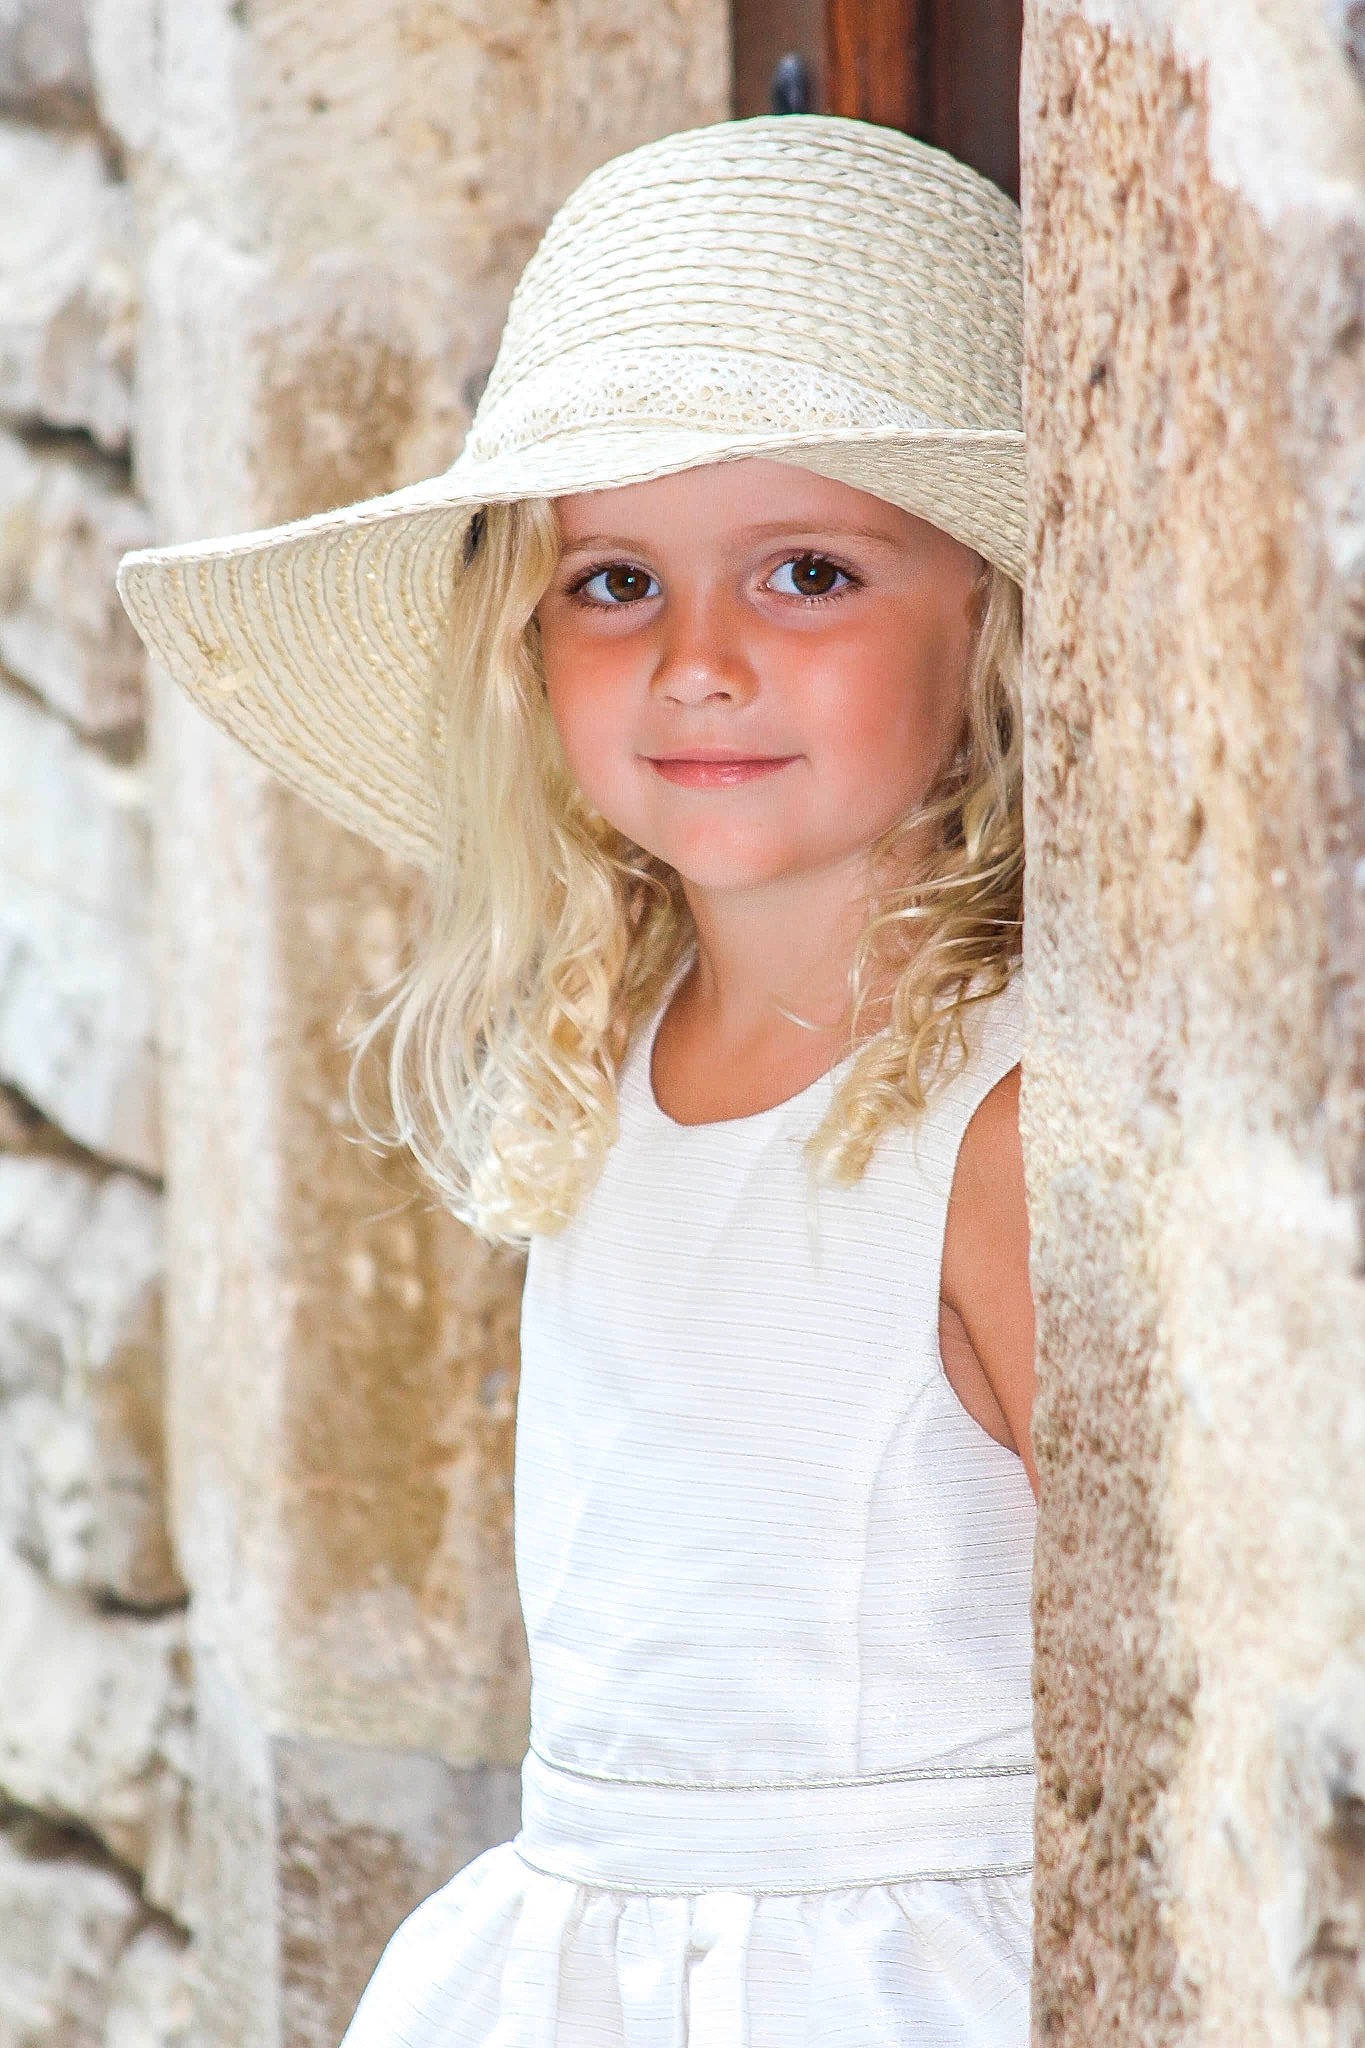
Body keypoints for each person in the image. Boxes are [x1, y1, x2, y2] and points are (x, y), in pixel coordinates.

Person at [119, 114, 1038, 2048]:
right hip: (590, 1965)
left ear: (992, 616)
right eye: (612, 583)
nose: (696, 662)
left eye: (804, 571)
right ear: (524, 645)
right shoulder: (602, 1059)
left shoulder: (1000, 1117)